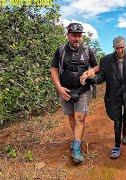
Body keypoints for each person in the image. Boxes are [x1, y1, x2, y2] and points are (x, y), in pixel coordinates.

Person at [81, 36, 126, 159]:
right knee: (117, 119)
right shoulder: (106, 60)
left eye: (122, 48)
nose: (120, 50)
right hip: (114, 95)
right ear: (113, 47)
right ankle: (117, 145)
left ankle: (125, 134)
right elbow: (101, 77)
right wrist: (90, 78)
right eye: (117, 48)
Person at [50, 22, 98, 164]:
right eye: (74, 36)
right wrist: (58, 87)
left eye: (79, 36)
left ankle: (76, 148)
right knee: (71, 117)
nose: (77, 39)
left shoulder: (88, 51)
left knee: (79, 117)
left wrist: (91, 71)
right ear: (68, 35)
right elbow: (54, 70)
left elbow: (96, 66)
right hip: (65, 90)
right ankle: (77, 139)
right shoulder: (60, 51)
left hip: (83, 90)